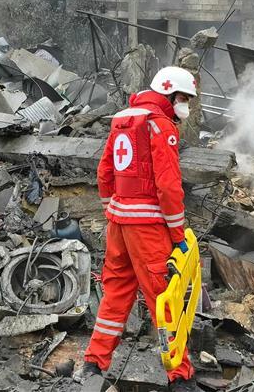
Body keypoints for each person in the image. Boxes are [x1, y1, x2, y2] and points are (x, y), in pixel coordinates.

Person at [74, 67, 199, 392]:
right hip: (148, 229)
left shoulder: (123, 120)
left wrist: (112, 210)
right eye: (184, 98)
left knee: (115, 293)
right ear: (170, 94)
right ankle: (180, 377)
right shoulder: (160, 125)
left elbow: (104, 173)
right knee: (164, 297)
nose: (184, 105)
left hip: (119, 224)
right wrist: (177, 236)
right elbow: (169, 187)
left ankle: (93, 364)